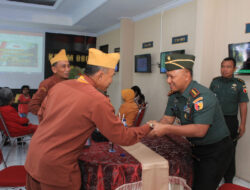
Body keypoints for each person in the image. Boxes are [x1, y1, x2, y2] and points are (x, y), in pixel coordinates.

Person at [25, 48, 152, 190]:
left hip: (33, 157)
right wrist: (148, 127)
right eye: (111, 76)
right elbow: (122, 137)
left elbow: (42, 116)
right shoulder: (97, 99)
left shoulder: (60, 86)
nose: (111, 81)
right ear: (99, 75)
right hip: (56, 166)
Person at [147, 54, 233, 190]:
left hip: (215, 151)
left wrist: (166, 129)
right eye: (167, 76)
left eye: (172, 76)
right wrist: (147, 132)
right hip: (194, 148)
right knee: (188, 183)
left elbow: (200, 130)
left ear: (187, 75)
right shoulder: (174, 95)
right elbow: (167, 120)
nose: (168, 81)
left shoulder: (202, 96)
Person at [209, 57, 249, 184]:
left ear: (234, 69)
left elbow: (243, 104)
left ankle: (228, 180)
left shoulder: (240, 83)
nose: (224, 69)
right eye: (223, 66)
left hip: (230, 121)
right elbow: (209, 101)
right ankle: (213, 176)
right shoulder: (215, 82)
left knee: (230, 150)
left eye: (228, 67)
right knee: (214, 149)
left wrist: (243, 124)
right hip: (215, 120)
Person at [28, 49, 70, 115]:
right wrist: (48, 116)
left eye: (68, 66)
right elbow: (33, 106)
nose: (67, 69)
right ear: (54, 69)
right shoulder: (47, 84)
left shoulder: (70, 83)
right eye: (63, 66)